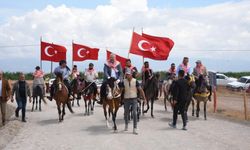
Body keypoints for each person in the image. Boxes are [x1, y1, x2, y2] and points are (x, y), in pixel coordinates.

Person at [122, 68, 146, 135]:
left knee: (135, 113)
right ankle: (126, 125)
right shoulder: (123, 81)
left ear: (131, 74)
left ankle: (135, 128)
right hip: (126, 99)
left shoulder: (135, 81)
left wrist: (144, 98)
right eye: (126, 74)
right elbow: (121, 90)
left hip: (134, 99)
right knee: (126, 113)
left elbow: (140, 90)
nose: (127, 75)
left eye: (128, 74)